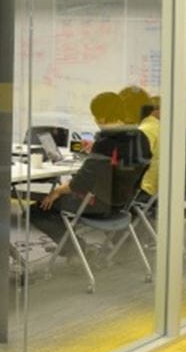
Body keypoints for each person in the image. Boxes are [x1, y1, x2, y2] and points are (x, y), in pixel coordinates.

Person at [32, 93, 149, 245]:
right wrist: (97, 151)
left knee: (37, 210)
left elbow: (79, 184)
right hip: (122, 204)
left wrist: (57, 191)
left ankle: (75, 250)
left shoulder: (106, 141)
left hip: (100, 206)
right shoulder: (140, 137)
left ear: (101, 117)